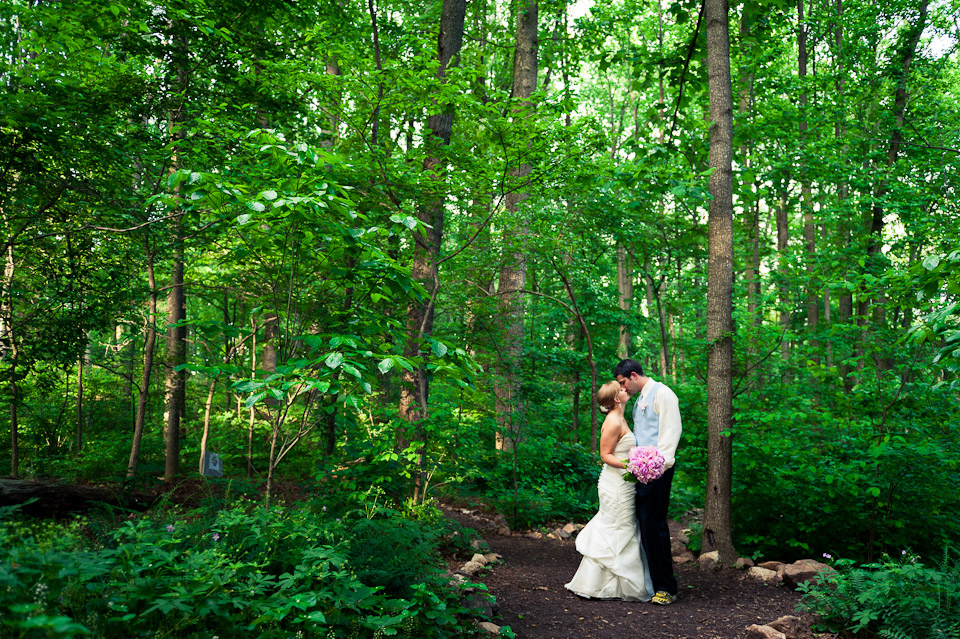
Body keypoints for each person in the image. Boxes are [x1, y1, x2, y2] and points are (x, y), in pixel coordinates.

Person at [565, 380, 654, 602]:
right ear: (616, 398)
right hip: (615, 484)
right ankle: (598, 583)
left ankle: (616, 583)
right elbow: (605, 455)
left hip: (624, 482)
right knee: (617, 525)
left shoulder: (621, 416)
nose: (626, 390)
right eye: (622, 389)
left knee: (624, 526)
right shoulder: (614, 421)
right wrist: (632, 465)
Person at [614, 358, 681, 605]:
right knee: (645, 525)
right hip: (642, 471)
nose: (623, 388)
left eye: (623, 383)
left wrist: (657, 468)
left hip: (659, 470)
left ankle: (667, 587)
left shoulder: (663, 394)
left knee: (655, 527)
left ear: (633, 375)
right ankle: (653, 582)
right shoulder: (639, 399)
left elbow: (670, 434)